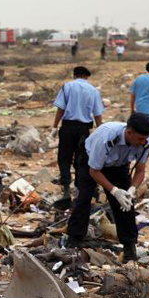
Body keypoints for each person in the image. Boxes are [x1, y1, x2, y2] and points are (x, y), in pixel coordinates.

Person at [66, 113, 149, 262]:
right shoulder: (107, 138)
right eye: (140, 139)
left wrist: (131, 190)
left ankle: (129, 246)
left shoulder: (144, 142)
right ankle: (75, 237)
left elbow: (140, 170)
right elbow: (94, 171)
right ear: (129, 133)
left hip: (118, 165)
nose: (143, 142)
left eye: (145, 139)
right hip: (90, 160)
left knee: (126, 204)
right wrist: (114, 191)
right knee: (85, 196)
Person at [52, 66, 103, 199]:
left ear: (74, 75)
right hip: (84, 130)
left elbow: (60, 109)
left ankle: (66, 188)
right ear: (86, 77)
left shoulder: (67, 87)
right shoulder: (93, 90)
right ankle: (80, 188)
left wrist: (54, 126)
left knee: (64, 157)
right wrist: (100, 129)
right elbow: (97, 113)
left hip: (68, 127)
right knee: (81, 159)